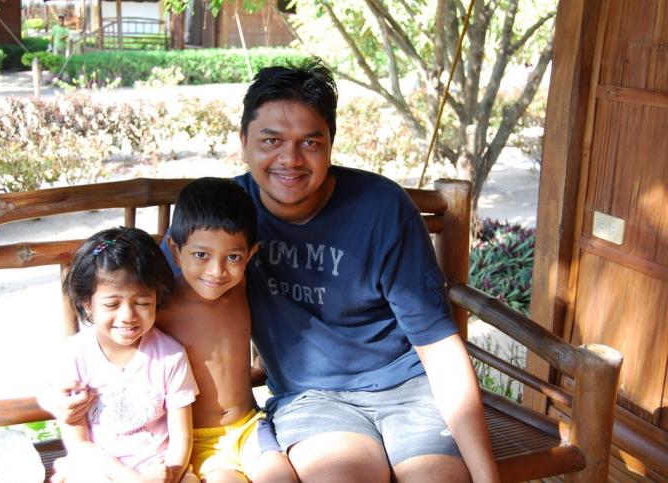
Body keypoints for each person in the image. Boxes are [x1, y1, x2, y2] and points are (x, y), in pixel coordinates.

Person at [47, 59, 500, 482]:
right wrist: (62, 402)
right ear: (243, 142)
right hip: (313, 400)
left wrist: (487, 477)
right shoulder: (223, 222)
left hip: (409, 391)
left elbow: (439, 347)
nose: (290, 159)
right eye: (270, 140)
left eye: (309, 142)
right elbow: (127, 302)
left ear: (329, 146)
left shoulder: (382, 208)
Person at [158, 177, 297, 482]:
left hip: (249, 426)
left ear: (250, 254)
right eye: (200, 255)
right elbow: (109, 345)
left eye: (233, 257)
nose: (216, 271)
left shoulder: (241, 286)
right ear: (175, 250)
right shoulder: (160, 309)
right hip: (196, 441)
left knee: (282, 478)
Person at [50, 227, 200, 483]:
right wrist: (131, 479)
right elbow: (79, 443)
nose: (128, 316)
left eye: (143, 303)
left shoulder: (170, 356)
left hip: (159, 469)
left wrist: (169, 475)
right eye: (111, 304)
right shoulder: (75, 356)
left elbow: (181, 439)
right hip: (100, 470)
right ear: (87, 303)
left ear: (157, 299)